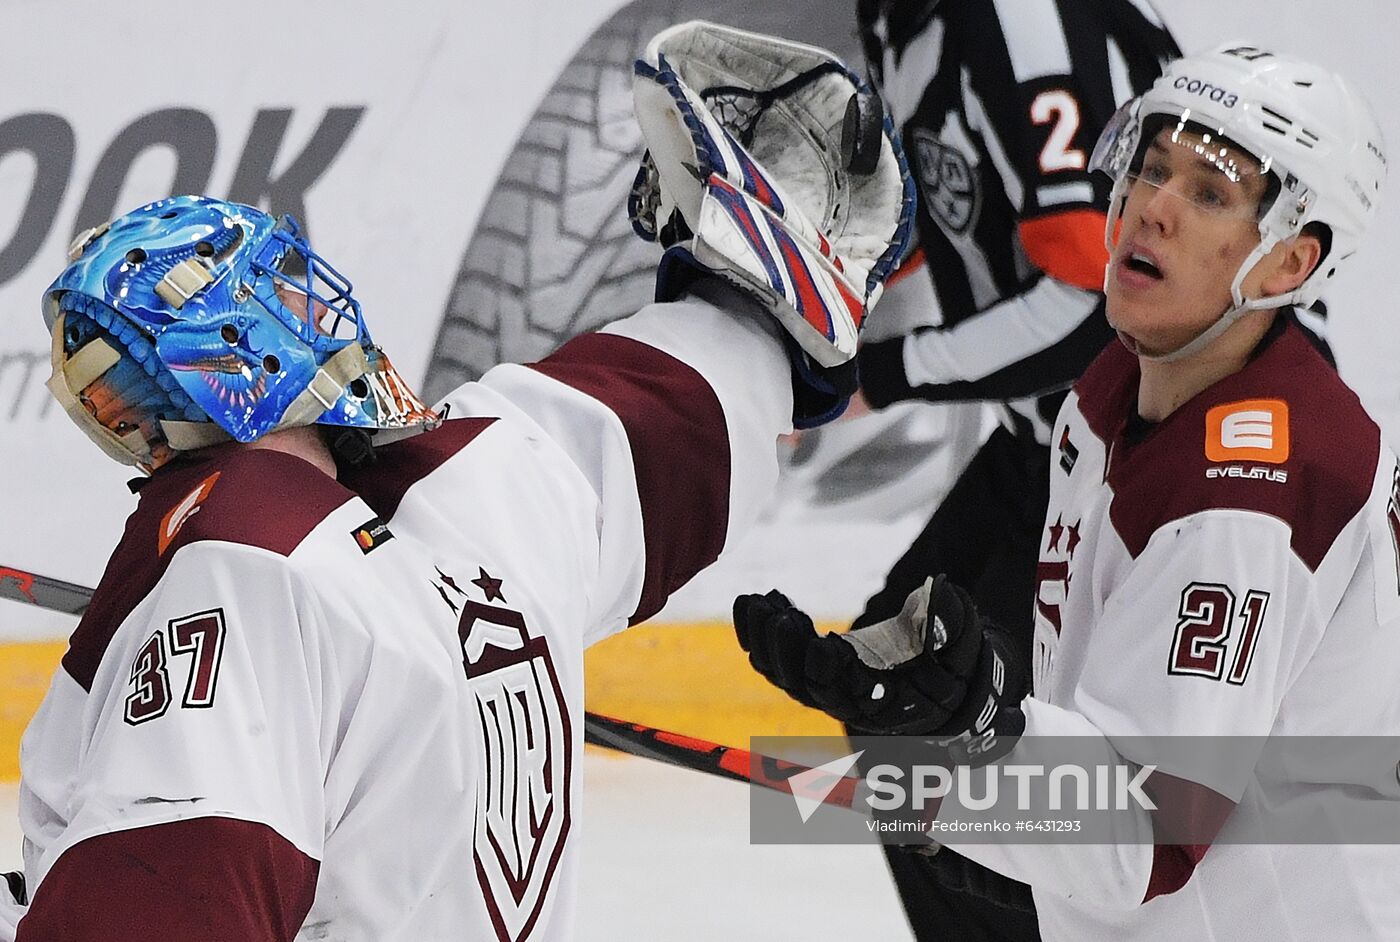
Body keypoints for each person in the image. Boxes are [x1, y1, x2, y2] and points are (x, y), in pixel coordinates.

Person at [0, 22, 913, 941]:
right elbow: (697, 393)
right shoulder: (496, 479)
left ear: (227, 358)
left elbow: (165, 905)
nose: (130, 430)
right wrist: (760, 289)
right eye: (102, 406)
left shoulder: (237, 565)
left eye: (130, 389)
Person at [734, 43, 1398, 940]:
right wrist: (1017, 836)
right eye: (1152, 168)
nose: (1152, 207)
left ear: (1287, 264)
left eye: (1209, 193)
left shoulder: (1249, 499)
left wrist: (973, 743)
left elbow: (1146, 838)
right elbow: (1123, 749)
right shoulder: (1108, 395)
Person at [831, 0, 1180, 936]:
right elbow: (965, 213)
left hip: (1158, 449)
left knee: (946, 707)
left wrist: (883, 374)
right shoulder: (915, 20)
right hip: (1067, 438)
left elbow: (1088, 304)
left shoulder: (1025, 26)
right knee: (894, 669)